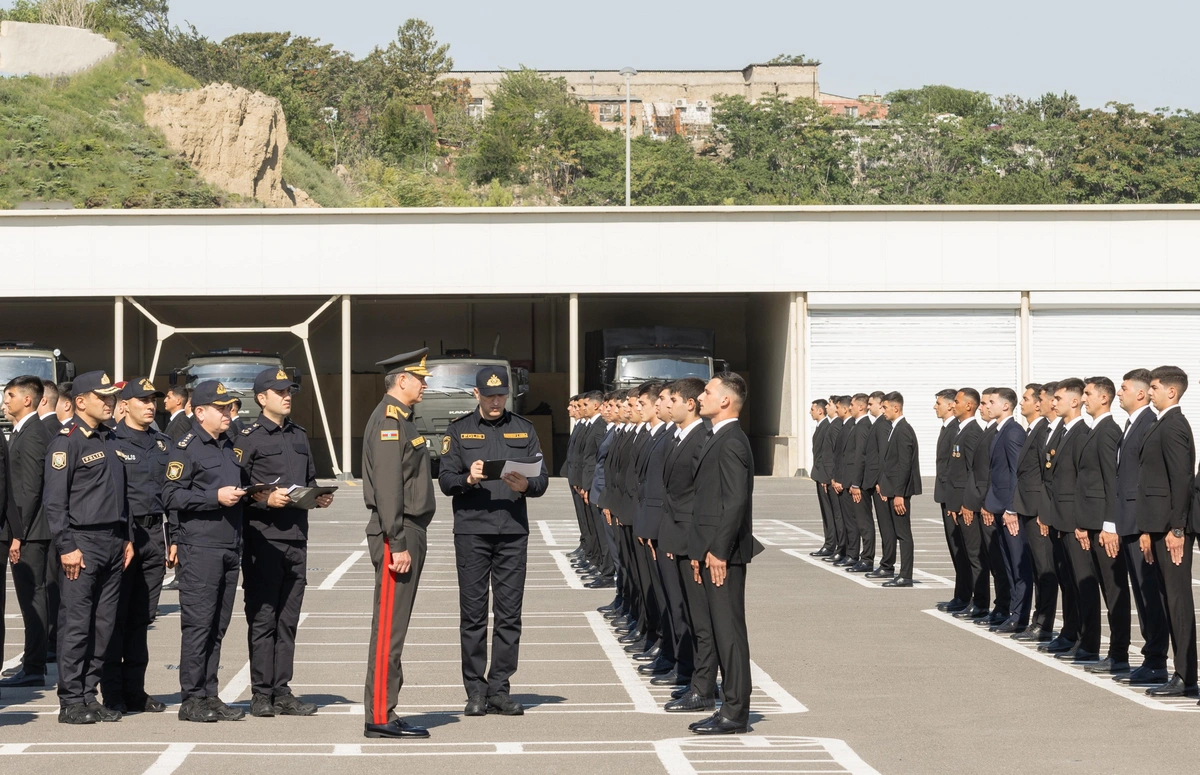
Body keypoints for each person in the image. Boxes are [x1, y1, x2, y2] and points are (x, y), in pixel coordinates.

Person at [437, 365, 548, 718]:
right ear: (477, 395)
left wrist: (527, 486)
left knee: (509, 615)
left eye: (501, 395)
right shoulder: (459, 431)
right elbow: (445, 479)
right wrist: (467, 479)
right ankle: (475, 690)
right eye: (489, 395)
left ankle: (500, 688)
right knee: (472, 615)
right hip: (472, 530)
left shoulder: (524, 429)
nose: (496, 401)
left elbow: (542, 479)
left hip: (512, 531)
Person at [234, 368, 332, 718]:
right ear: (262, 398)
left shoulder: (300, 436)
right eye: (279, 392)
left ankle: (282, 690)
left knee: (288, 620)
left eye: (289, 391)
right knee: (263, 618)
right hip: (264, 540)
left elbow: (307, 481)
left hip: (296, 537)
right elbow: (237, 492)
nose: (287, 396)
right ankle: (261, 692)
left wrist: (318, 497)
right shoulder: (247, 438)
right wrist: (263, 501)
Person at [42, 370, 133, 725]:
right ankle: (71, 700)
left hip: (112, 541)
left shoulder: (110, 439)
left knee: (103, 625)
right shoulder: (67, 441)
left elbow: (120, 496)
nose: (110, 403)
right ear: (81, 402)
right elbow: (55, 501)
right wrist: (67, 545)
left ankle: (88, 694)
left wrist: (126, 537)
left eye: (112, 398)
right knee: (77, 624)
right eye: (103, 397)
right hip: (82, 543)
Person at [362, 349, 437, 739]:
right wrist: (398, 541)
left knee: (394, 628)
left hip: (407, 529)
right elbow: (390, 488)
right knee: (389, 628)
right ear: (401, 381)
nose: (426, 384)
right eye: (420, 378)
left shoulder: (404, 419)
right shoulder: (390, 420)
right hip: (400, 531)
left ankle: (384, 708)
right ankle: (379, 714)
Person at [163, 380, 248, 723]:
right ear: (200, 412)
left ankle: (210, 694)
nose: (229, 413)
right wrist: (213, 498)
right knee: (198, 625)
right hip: (200, 547)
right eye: (221, 408)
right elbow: (170, 496)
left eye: (230, 407)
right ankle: (192, 698)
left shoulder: (230, 445)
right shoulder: (185, 447)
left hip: (229, 544)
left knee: (218, 625)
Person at [688, 372, 759, 735]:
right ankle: (729, 706)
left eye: (709, 391)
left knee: (729, 633)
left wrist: (717, 551)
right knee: (720, 631)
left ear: (726, 400)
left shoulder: (731, 441)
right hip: (712, 550)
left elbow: (734, 502)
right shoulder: (719, 436)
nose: (702, 396)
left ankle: (735, 712)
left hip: (724, 554)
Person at [101, 378, 171, 714]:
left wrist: (173, 539)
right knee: (115, 618)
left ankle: (135, 690)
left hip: (154, 536)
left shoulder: (162, 444)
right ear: (124, 404)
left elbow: (172, 493)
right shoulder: (112, 442)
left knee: (142, 619)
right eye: (142, 400)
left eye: (152, 400)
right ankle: (112, 692)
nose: (149, 405)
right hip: (122, 538)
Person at [1137, 366, 1196, 698]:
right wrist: (1147, 529)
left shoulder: (1174, 426)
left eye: (1155, 387)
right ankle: (1179, 673)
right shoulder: (1161, 423)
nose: (1151, 391)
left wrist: (1177, 528)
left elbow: (1181, 480)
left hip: (1171, 530)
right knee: (1165, 599)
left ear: (1171, 392)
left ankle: (1187, 677)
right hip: (1157, 528)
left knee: (1178, 602)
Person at [661, 377, 717, 714]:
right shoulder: (680, 436)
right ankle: (697, 680)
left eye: (673, 400)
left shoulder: (701, 438)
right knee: (690, 615)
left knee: (701, 619)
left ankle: (704, 688)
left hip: (692, 541)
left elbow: (701, 499)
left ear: (689, 404)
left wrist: (698, 547)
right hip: (678, 538)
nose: (668, 406)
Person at [1110, 369, 1169, 686]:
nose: (1119, 393)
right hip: (1128, 523)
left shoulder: (1148, 425)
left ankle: (1157, 661)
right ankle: (1152, 658)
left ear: (1142, 394)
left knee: (1150, 594)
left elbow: (1150, 480)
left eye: (1123, 388)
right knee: (1143, 593)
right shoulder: (1132, 425)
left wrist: (1147, 526)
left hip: (1140, 524)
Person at [1, 376, 53, 689]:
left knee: (33, 599)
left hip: (31, 531)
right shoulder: (23, 430)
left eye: (9, 396)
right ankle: (32, 661)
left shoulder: (34, 433)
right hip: (27, 528)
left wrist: (18, 534)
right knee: (29, 599)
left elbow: (30, 488)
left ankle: (34, 665)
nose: (5, 402)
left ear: (28, 400)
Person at [1038, 379, 1096, 660]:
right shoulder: (1062, 432)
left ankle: (1087, 641)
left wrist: (1078, 523)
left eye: (1058, 398)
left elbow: (1080, 483)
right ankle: (1072, 633)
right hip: (1061, 519)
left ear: (1074, 402)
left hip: (1075, 520)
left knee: (1082, 583)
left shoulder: (1082, 432)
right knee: (1068, 581)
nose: (1052, 402)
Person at [1074, 376, 1126, 673]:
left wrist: (1110, 525)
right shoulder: (1093, 430)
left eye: (1088, 394)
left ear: (1103, 398)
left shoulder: (1108, 431)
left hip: (1104, 526)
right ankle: (1098, 647)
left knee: (1113, 591)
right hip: (1090, 522)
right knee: (1094, 587)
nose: (1084, 398)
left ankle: (1118, 654)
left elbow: (1111, 481)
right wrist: (1082, 522)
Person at [1011, 384, 1056, 643]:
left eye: (1027, 398)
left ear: (1039, 404)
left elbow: (1043, 476)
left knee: (1044, 569)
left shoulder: (1042, 432)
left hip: (1037, 511)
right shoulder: (1035, 431)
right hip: (1027, 509)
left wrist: (1042, 512)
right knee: (1039, 569)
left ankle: (1044, 623)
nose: (1022, 403)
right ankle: (1039, 620)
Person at [982, 388, 1028, 632]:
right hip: (999, 507)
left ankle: (1020, 616)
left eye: (991, 402)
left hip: (1010, 511)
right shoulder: (1000, 431)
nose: (987, 406)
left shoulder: (1012, 433)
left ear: (1006, 406)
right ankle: (1012, 611)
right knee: (1008, 564)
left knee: (1018, 565)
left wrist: (1012, 509)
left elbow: (1015, 473)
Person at [945, 389, 985, 620]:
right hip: (959, 504)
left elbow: (972, 471)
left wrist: (967, 503)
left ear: (969, 406)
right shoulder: (961, 431)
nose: (953, 406)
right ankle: (968, 597)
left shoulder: (971, 433)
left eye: (957, 402)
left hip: (967, 506)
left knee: (974, 556)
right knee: (965, 554)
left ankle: (979, 603)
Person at [878, 392, 920, 587]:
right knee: (897, 531)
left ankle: (906, 575)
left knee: (903, 534)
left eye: (885, 407)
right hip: (892, 489)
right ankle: (902, 573)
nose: (883, 411)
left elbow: (904, 465)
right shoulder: (895, 428)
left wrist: (899, 494)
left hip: (899, 492)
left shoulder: (903, 430)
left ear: (896, 408)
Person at [933, 389, 970, 613]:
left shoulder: (957, 429)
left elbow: (956, 469)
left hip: (953, 497)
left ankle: (966, 595)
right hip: (947, 496)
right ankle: (961, 594)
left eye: (939, 403)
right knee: (956, 549)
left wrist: (954, 500)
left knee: (962, 550)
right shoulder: (948, 428)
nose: (935, 407)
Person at [861, 391, 892, 577]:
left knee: (886, 527)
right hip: (875, 482)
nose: (869, 406)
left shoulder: (882, 425)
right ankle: (885, 563)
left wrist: (881, 481)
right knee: (883, 526)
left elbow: (884, 456)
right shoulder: (878, 424)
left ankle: (887, 565)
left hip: (880, 484)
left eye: (871, 403)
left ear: (880, 405)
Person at [809, 400, 837, 557]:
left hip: (824, 476)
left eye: (812, 409)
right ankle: (829, 542)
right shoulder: (821, 426)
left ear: (820, 411)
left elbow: (827, 455)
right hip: (820, 475)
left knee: (830, 512)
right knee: (826, 513)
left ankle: (831, 544)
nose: (810, 412)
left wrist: (826, 477)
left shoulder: (827, 427)